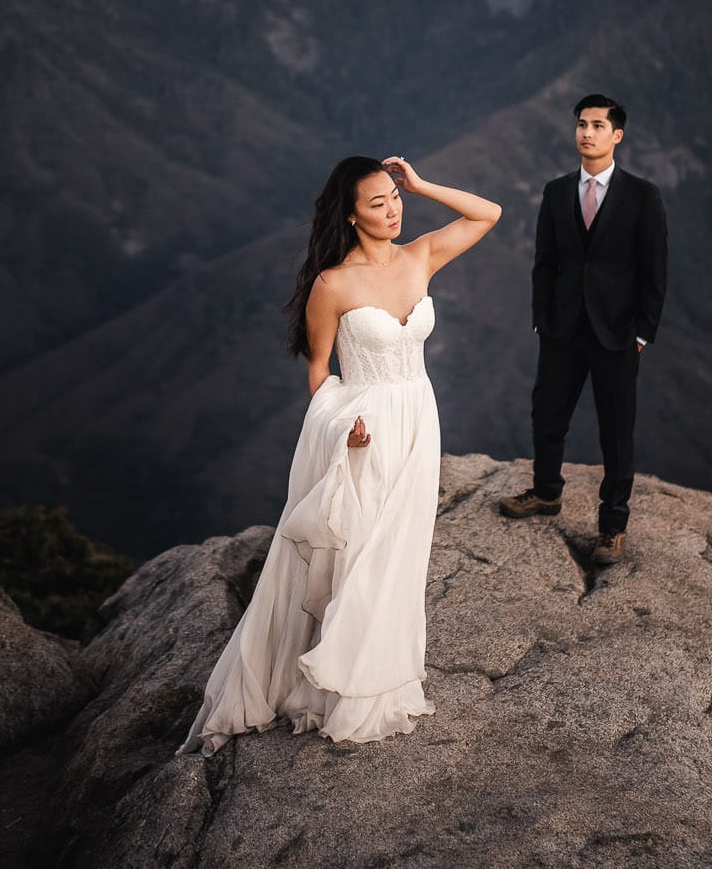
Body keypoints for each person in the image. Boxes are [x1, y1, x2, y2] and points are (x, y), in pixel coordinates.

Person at [180, 153, 501, 755]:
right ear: (351, 216)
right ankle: (339, 690)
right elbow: (320, 375)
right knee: (360, 553)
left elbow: (489, 213)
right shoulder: (332, 284)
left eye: (395, 197)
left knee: (401, 552)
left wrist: (424, 184)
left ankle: (374, 680)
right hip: (364, 427)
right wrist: (340, 428)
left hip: (418, 418)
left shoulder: (421, 255)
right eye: (376, 203)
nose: (393, 209)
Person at [498, 94, 667, 565]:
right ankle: (547, 492)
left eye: (597, 125)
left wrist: (641, 333)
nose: (586, 132)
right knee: (547, 414)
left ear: (617, 135)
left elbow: (655, 271)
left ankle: (612, 526)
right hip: (562, 328)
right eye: (581, 125)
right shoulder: (556, 192)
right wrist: (541, 318)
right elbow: (545, 263)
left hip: (617, 334)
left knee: (616, 431)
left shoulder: (641, 196)